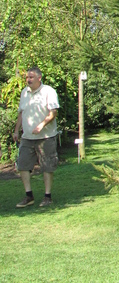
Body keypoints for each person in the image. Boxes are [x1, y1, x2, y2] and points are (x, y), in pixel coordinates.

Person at [13, 66, 60, 208]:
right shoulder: (24, 93)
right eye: (27, 77)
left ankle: (47, 196)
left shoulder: (48, 91)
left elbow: (53, 112)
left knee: (47, 167)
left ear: (39, 78)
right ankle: (29, 196)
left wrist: (42, 125)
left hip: (46, 136)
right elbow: (21, 113)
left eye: (31, 77)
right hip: (27, 138)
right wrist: (16, 131)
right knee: (22, 165)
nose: (28, 80)